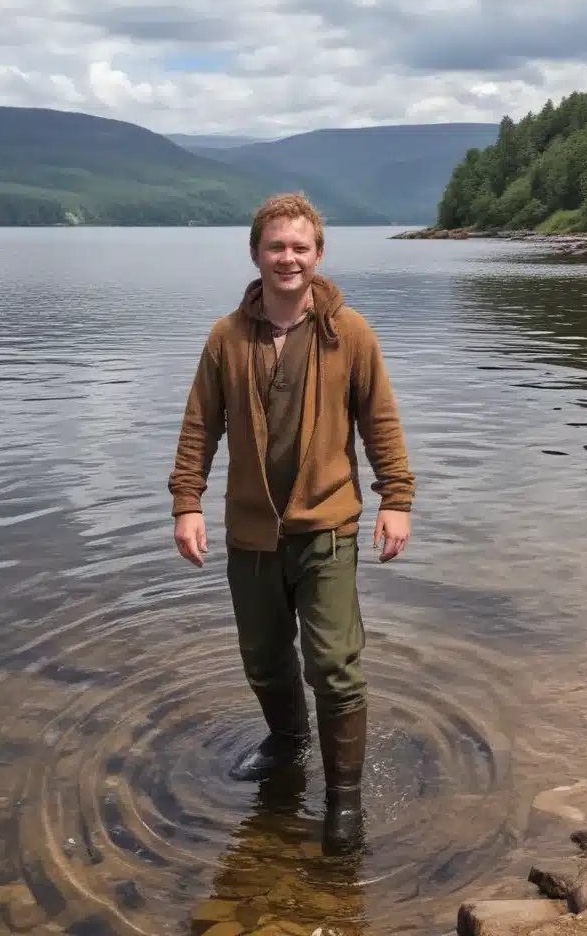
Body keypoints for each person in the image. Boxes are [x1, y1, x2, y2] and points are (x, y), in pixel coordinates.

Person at [167, 192, 415, 856]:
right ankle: (286, 741)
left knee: (334, 664)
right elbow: (199, 428)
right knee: (264, 660)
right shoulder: (226, 338)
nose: (288, 257)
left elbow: (380, 423)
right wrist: (186, 503)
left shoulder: (351, 333)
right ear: (256, 254)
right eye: (276, 246)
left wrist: (397, 499)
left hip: (326, 528)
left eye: (299, 247)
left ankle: (344, 801)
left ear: (318, 255)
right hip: (251, 534)